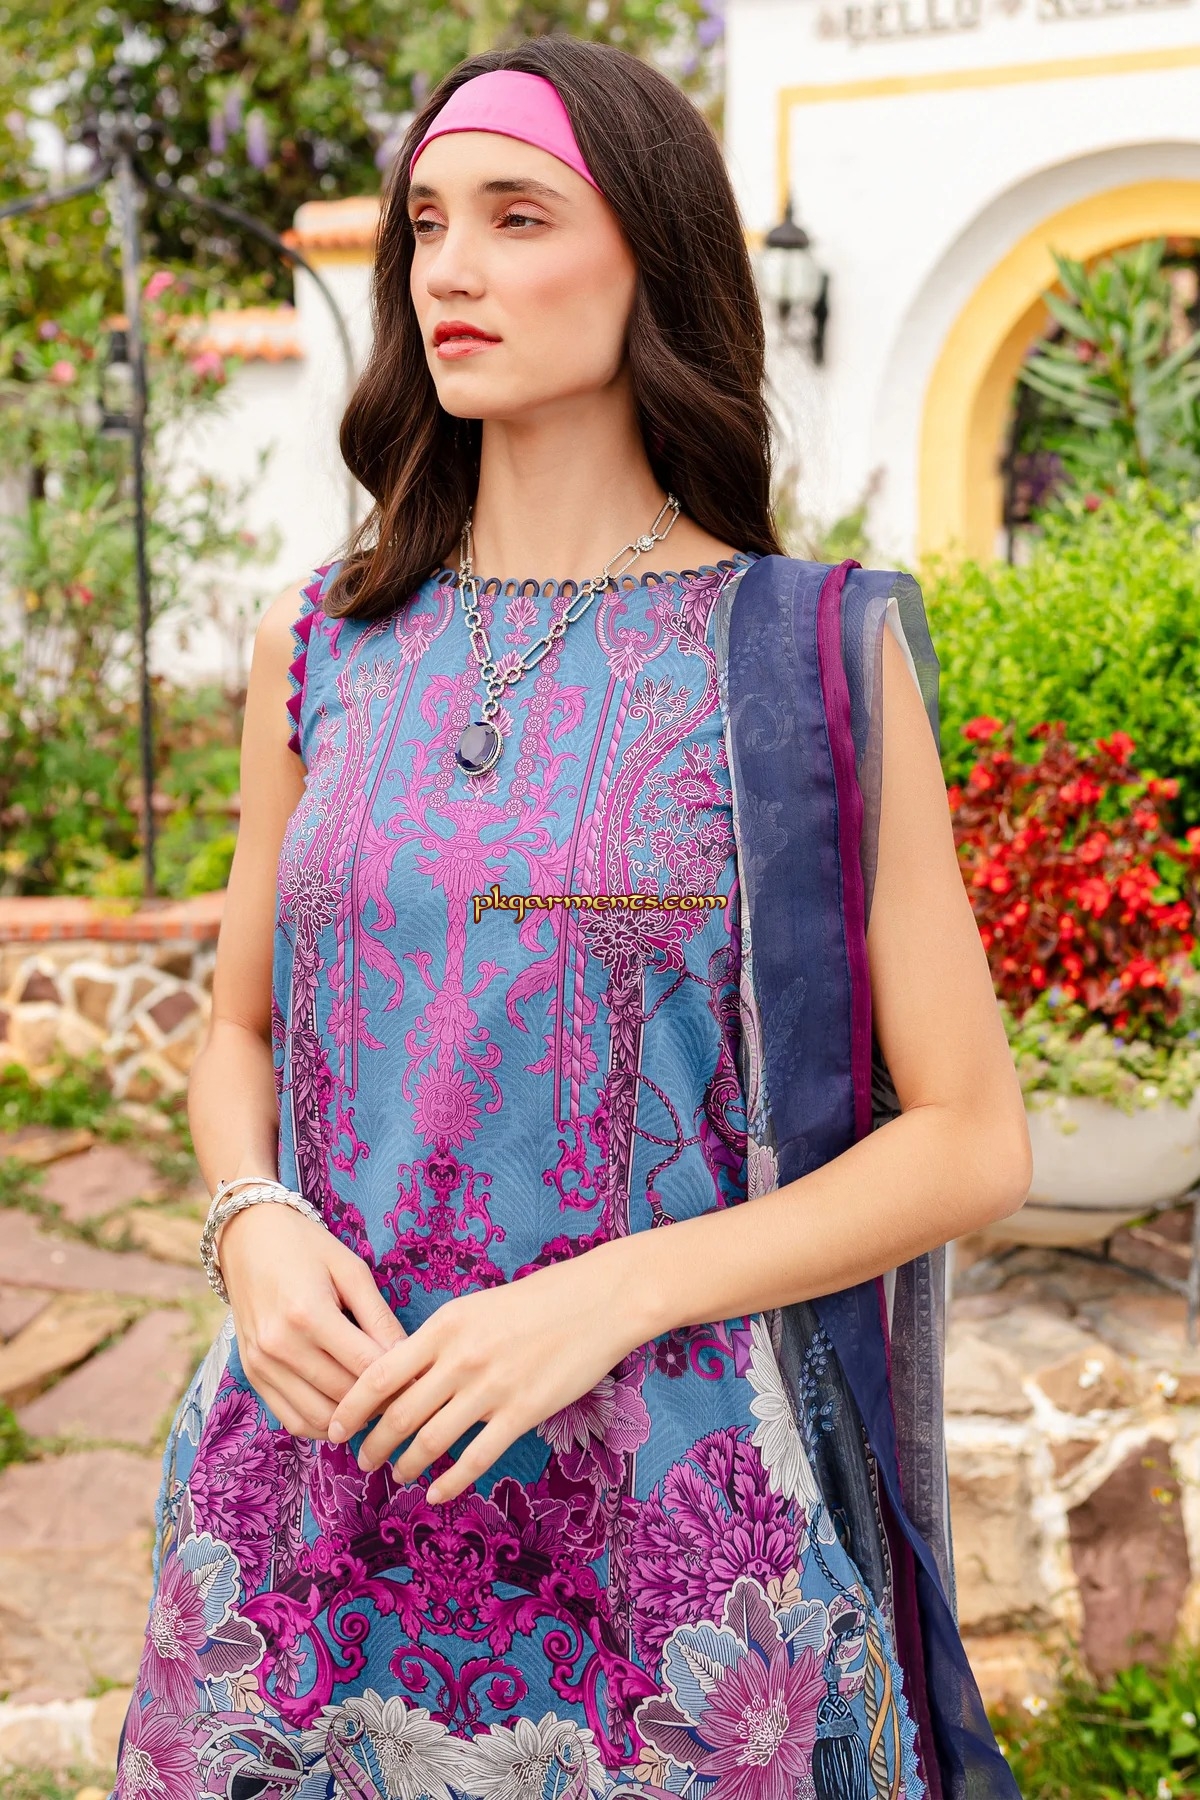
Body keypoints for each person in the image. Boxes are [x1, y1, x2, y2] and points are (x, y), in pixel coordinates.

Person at [111, 36, 1032, 1800]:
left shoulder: (806, 657)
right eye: (426, 225)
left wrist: (607, 1296)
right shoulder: (319, 641)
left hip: (667, 1542)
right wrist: (249, 1225)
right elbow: (238, 1028)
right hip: (310, 1498)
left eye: (517, 217)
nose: (448, 268)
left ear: (652, 259)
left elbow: (972, 1136)